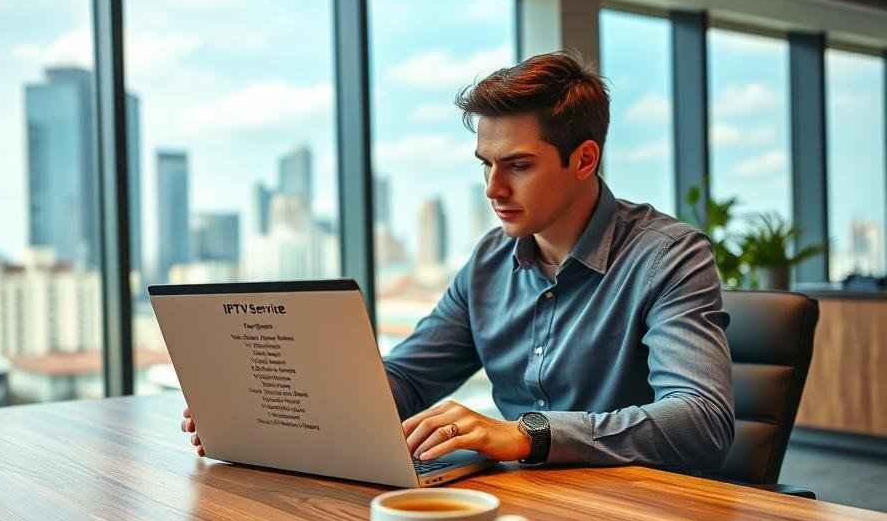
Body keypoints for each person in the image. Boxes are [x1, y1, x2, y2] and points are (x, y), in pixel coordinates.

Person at [182, 50, 734, 471]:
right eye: (485, 164)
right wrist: (271, 414)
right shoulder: (490, 261)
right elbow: (406, 378)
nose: (493, 189)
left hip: (637, 519)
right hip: (521, 508)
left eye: (517, 165)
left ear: (584, 159)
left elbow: (701, 421)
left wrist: (527, 434)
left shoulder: (670, 257)